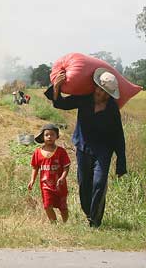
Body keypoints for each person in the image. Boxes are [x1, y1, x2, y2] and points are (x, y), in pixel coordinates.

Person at [45, 69, 127, 228]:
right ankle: (89, 214)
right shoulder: (84, 99)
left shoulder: (112, 109)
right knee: (84, 184)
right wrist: (56, 88)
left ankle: (95, 222)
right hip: (83, 147)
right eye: (98, 88)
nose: (99, 92)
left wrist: (121, 163)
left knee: (99, 183)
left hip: (103, 151)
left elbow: (118, 136)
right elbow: (62, 104)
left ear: (109, 95)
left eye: (103, 91)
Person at [28, 124, 71, 223]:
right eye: (46, 135)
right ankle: (54, 223)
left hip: (60, 185)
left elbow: (66, 166)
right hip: (45, 185)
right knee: (47, 206)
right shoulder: (38, 152)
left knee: (63, 207)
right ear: (43, 137)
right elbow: (35, 167)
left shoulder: (61, 151)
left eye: (52, 134)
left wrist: (63, 177)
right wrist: (32, 180)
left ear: (57, 136)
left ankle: (65, 223)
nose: (49, 137)